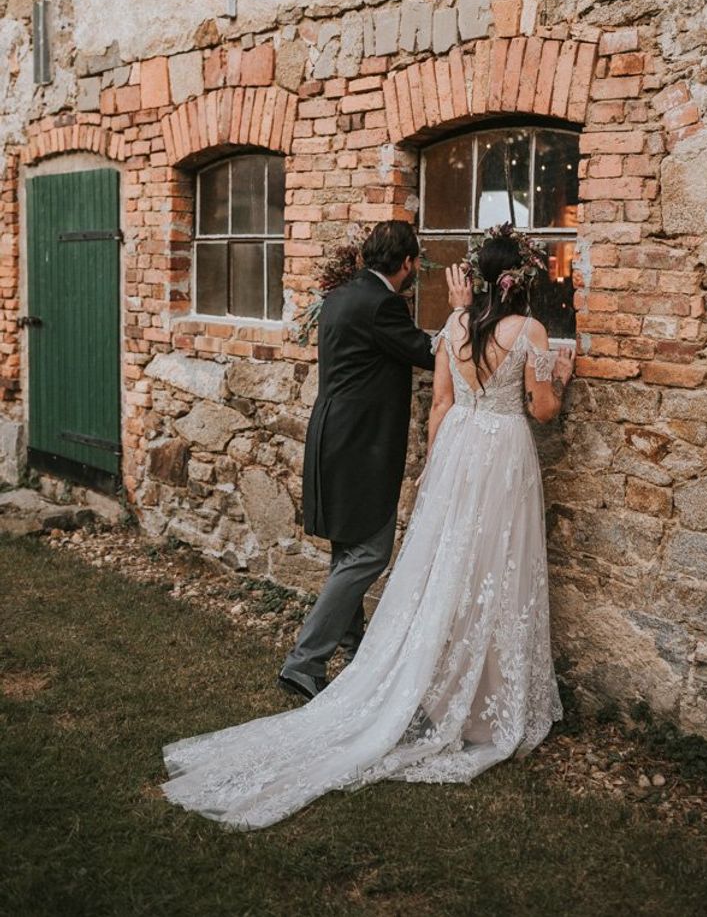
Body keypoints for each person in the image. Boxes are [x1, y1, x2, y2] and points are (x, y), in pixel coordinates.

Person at [161, 228, 575, 830]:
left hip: (437, 447)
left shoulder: (372, 308)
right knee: (449, 563)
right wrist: (558, 371)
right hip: (481, 453)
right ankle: (317, 660)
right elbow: (541, 408)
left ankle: (367, 655)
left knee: (426, 562)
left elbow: (440, 401)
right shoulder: (520, 331)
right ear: (523, 281)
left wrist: (439, 458)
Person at [279, 219, 472, 701]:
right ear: (407, 263)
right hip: (360, 443)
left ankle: (355, 649)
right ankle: (304, 661)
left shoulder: (340, 295)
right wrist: (463, 319)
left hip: (331, 434)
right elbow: (428, 353)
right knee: (370, 552)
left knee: (348, 549)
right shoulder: (382, 304)